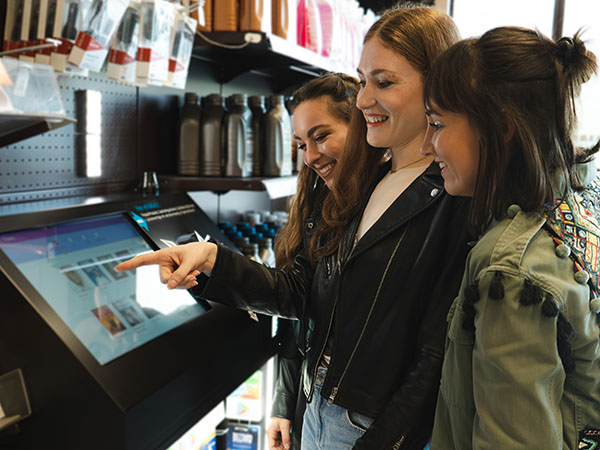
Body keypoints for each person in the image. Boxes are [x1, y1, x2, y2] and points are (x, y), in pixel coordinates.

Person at [116, 6, 470, 449]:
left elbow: (433, 359)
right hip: (317, 408)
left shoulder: (453, 196)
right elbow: (303, 292)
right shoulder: (370, 183)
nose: (363, 99)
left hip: (371, 430)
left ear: (437, 83)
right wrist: (213, 261)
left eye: (384, 82)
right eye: (363, 81)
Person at [420, 26, 600, 449]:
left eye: (437, 123)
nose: (428, 145)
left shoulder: (513, 268)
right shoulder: (579, 204)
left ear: (501, 126)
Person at [268, 73, 361, 450]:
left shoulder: (381, 208)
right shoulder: (317, 206)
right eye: (301, 143)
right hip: (314, 405)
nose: (310, 156)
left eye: (321, 136)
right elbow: (302, 314)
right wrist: (282, 405)